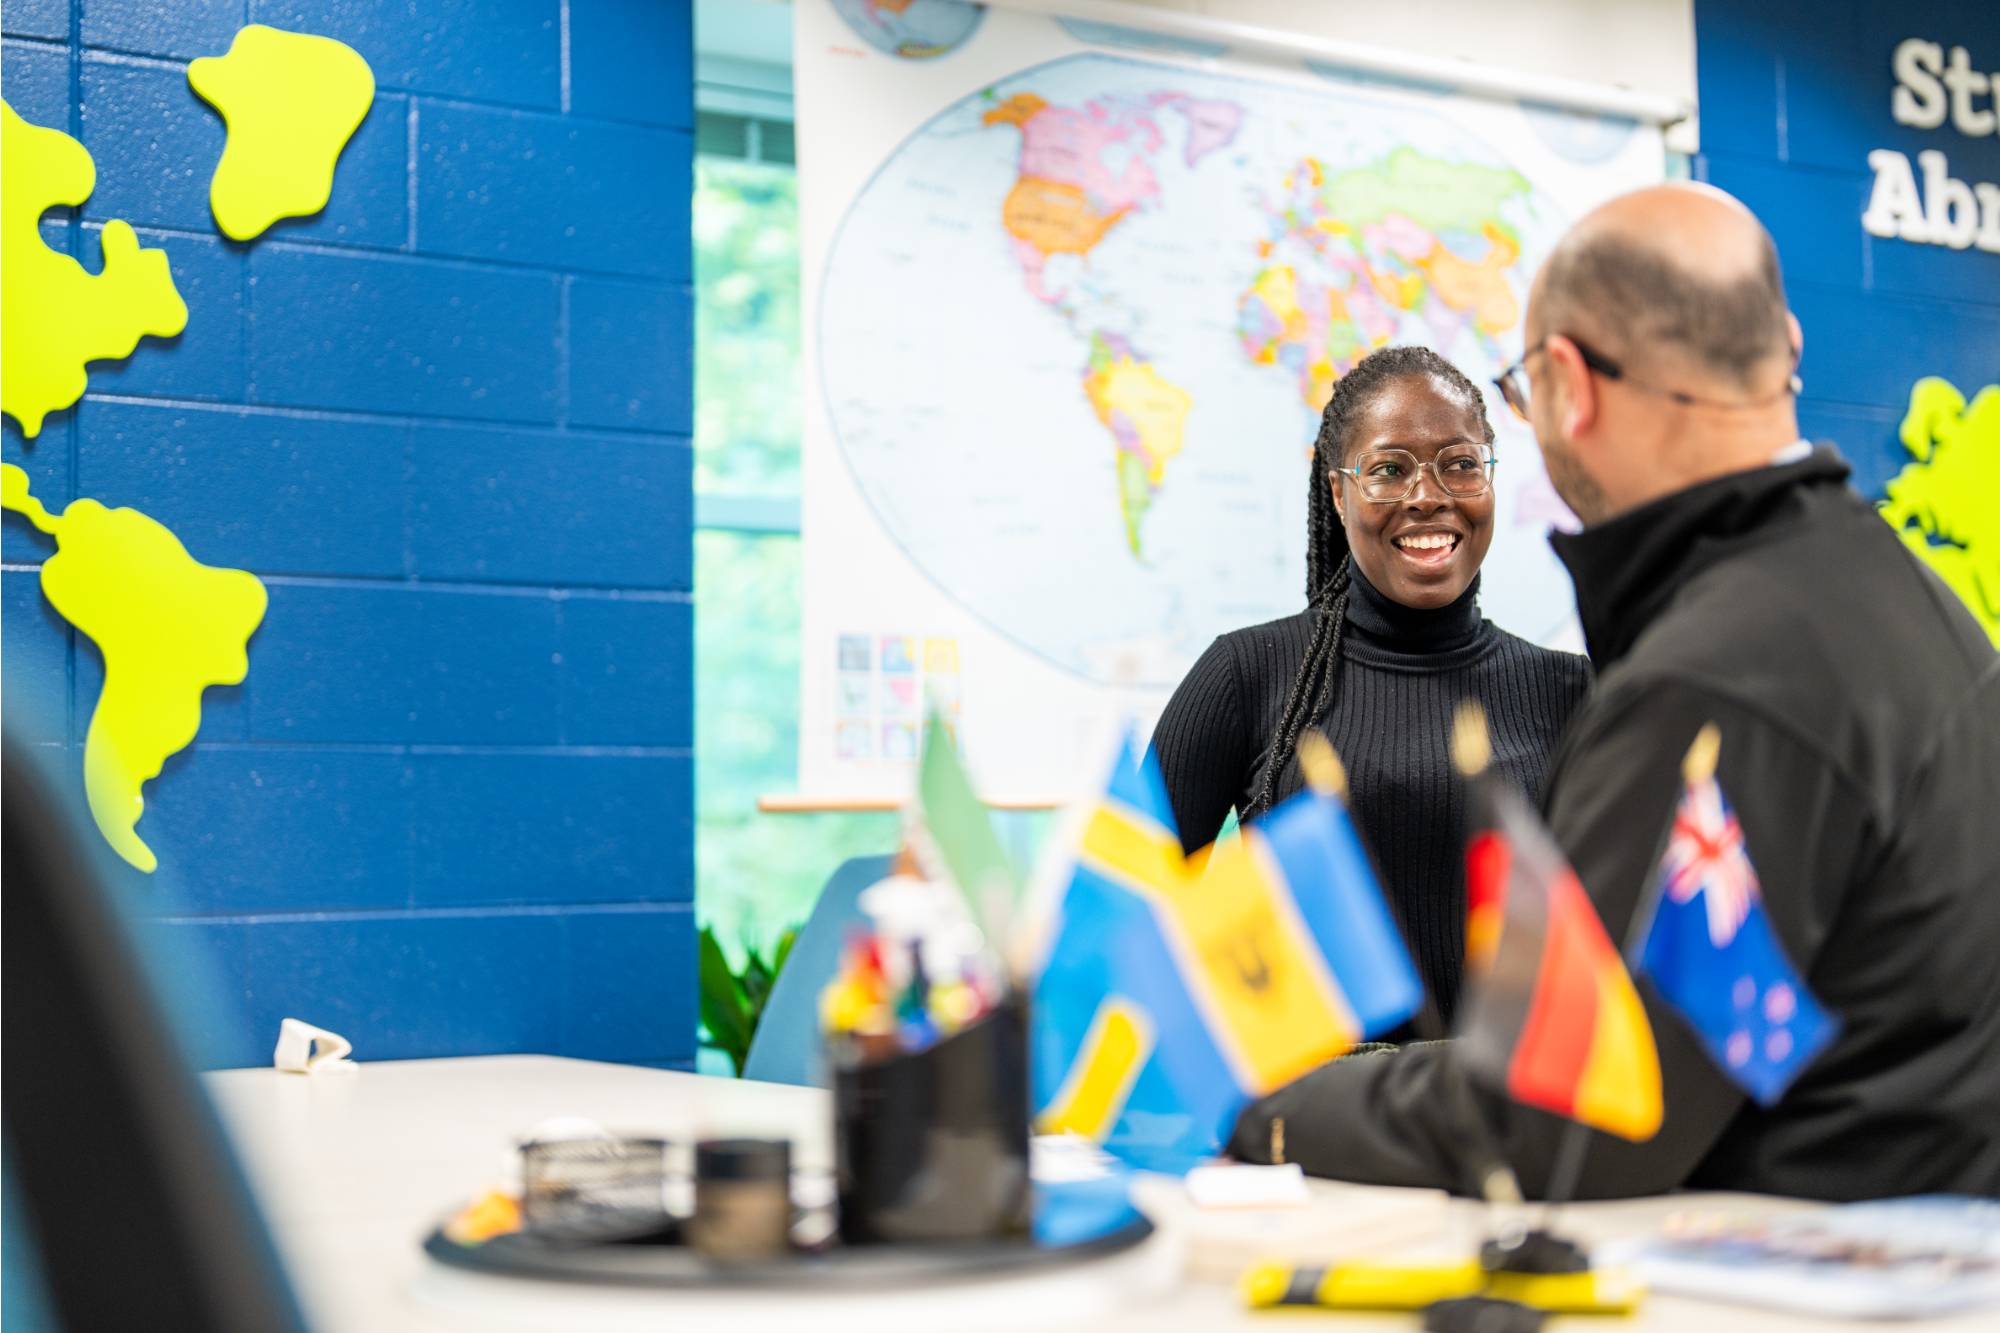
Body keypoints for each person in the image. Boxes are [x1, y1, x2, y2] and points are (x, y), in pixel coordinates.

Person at [1228, 183, 2000, 1201]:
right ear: (1783, 349)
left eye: (1513, 397)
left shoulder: (1712, 676)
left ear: (1566, 383)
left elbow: (1567, 1112)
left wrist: (1260, 1115)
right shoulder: (1917, 606)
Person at [1150, 346, 1590, 1025]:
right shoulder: (1249, 674)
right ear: (1338, 489)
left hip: (1512, 1120)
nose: (1428, 496)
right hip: (1316, 1117)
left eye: (1461, 464)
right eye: (1389, 469)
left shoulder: (1569, 690)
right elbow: (1125, 926)